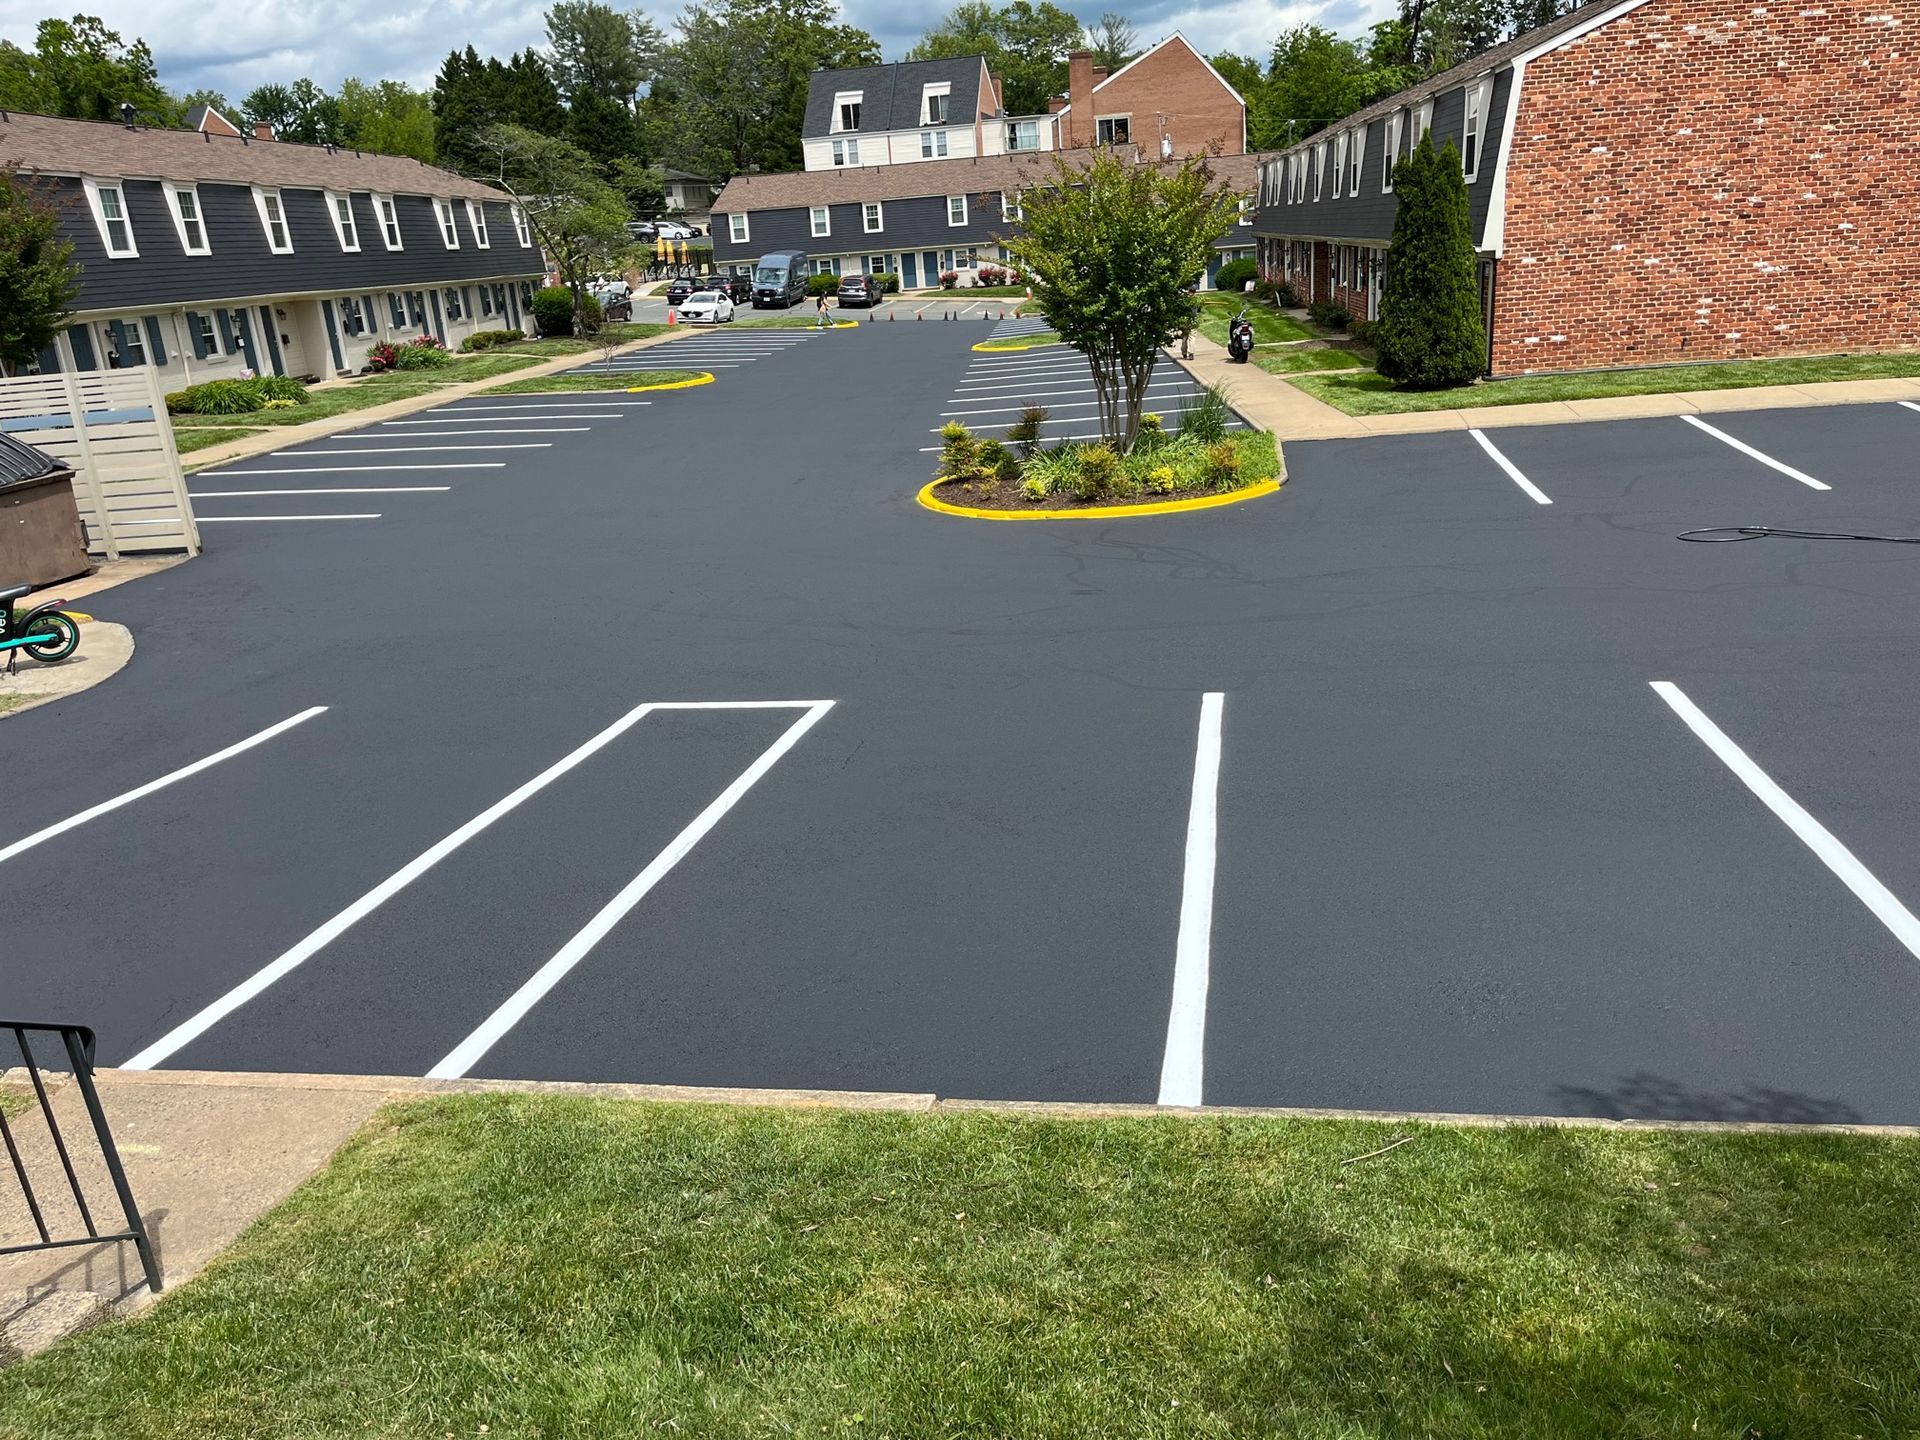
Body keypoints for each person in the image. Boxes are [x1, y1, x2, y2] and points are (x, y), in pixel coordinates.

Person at [1178, 287, 1200, 360]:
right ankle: (1191, 353)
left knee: (1185, 337)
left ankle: (1184, 353)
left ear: (1188, 291)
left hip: (1185, 320)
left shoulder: (1184, 300)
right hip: (1193, 320)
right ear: (1194, 292)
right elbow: (1198, 310)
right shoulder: (1197, 300)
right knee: (1192, 338)